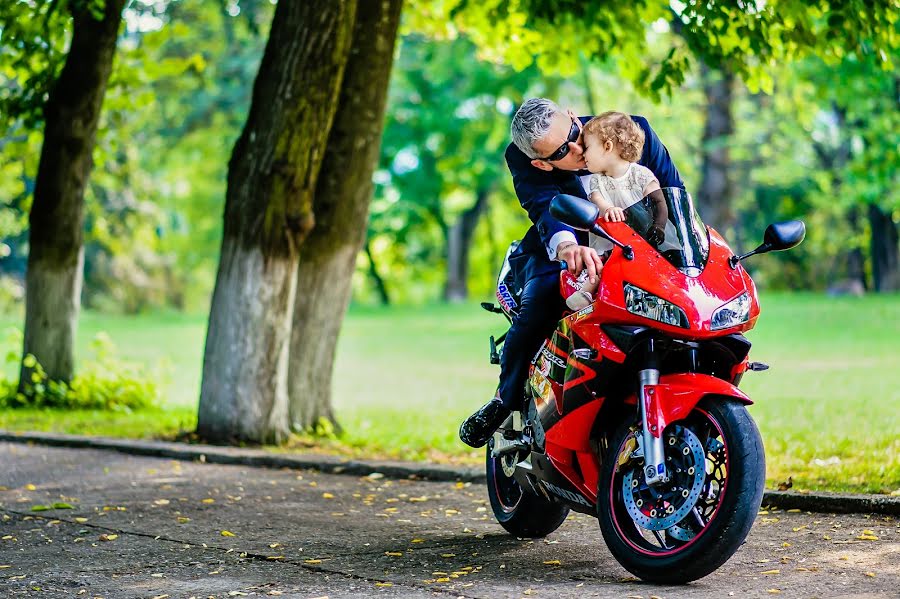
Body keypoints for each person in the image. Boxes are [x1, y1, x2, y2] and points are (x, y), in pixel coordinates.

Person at [458, 98, 684, 448]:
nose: (579, 148)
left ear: (571, 114)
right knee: (541, 301)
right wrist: (567, 248)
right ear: (541, 163)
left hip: (642, 249)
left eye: (576, 133)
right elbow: (544, 206)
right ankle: (505, 399)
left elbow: (675, 198)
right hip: (568, 247)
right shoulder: (522, 160)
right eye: (564, 149)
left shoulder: (630, 129)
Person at [562, 111, 664, 310]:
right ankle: (587, 290)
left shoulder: (641, 174)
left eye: (588, 147)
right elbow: (597, 198)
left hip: (642, 237)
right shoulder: (597, 180)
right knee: (604, 262)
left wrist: (659, 225)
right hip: (613, 239)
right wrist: (608, 208)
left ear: (607, 147)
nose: (582, 153)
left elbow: (659, 202)